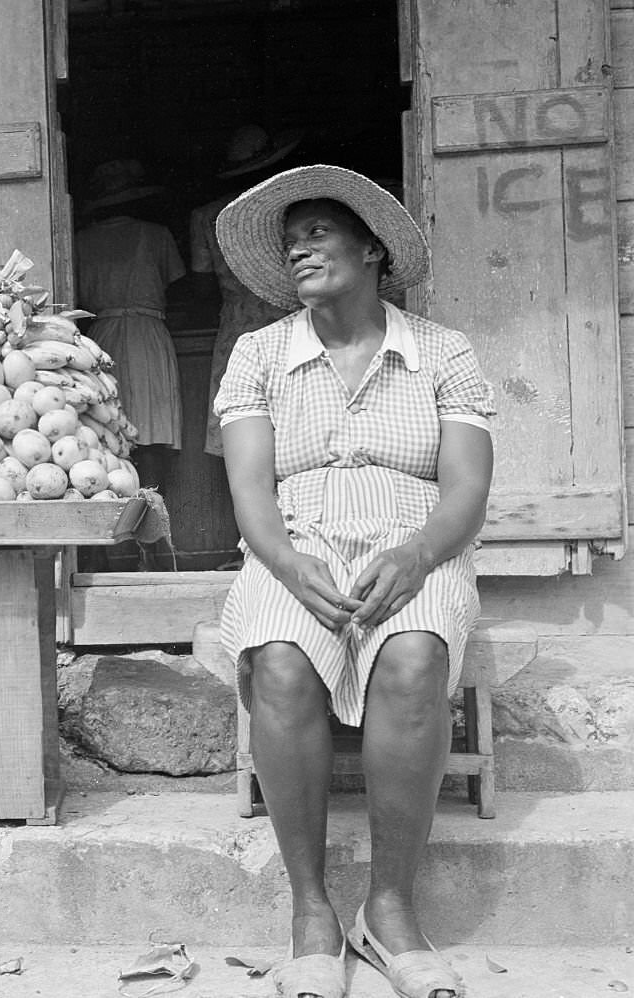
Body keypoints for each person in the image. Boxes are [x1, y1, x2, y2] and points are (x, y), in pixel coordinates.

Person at [213, 165, 495, 998]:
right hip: (292, 545)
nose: (299, 246)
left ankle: (391, 909)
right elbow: (250, 491)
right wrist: (291, 567)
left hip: (416, 547)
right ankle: (311, 914)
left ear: (373, 250)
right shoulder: (259, 353)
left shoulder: (442, 351)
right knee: (281, 662)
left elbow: (468, 492)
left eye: (318, 232)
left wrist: (411, 558)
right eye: (290, 238)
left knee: (411, 659)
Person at [189, 124, 303, 457]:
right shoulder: (291, 211)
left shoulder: (207, 216)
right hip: (294, 321)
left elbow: (201, 287)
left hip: (239, 329)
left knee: (243, 431)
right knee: (298, 430)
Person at [75, 159, 185, 493]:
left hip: (101, 339)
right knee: (150, 433)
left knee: (110, 430)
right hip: (147, 335)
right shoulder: (156, 235)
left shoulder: (81, 241)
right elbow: (177, 286)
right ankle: (152, 520)